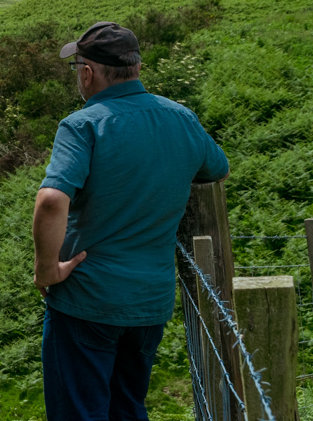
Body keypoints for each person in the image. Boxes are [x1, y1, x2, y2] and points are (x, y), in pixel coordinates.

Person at [33, 21, 229, 421]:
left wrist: (46, 270)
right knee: (128, 407)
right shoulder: (181, 119)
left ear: (87, 73)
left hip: (86, 300)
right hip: (149, 303)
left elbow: (52, 200)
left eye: (78, 68)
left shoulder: (83, 125)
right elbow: (217, 169)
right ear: (136, 68)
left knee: (80, 412)